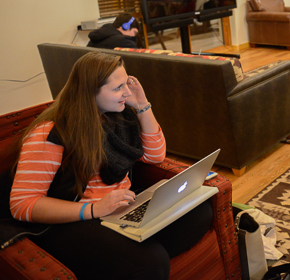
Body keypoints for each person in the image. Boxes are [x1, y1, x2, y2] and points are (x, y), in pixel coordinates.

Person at [8, 52, 212, 280]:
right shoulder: (51, 134)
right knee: (152, 262)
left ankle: (132, 252)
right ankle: (139, 257)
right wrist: (95, 209)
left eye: (127, 83)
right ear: (88, 92)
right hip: (77, 219)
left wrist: (143, 106)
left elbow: (155, 156)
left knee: (200, 213)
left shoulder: (118, 116)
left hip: (120, 208)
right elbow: (22, 203)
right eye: (117, 88)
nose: (126, 92)